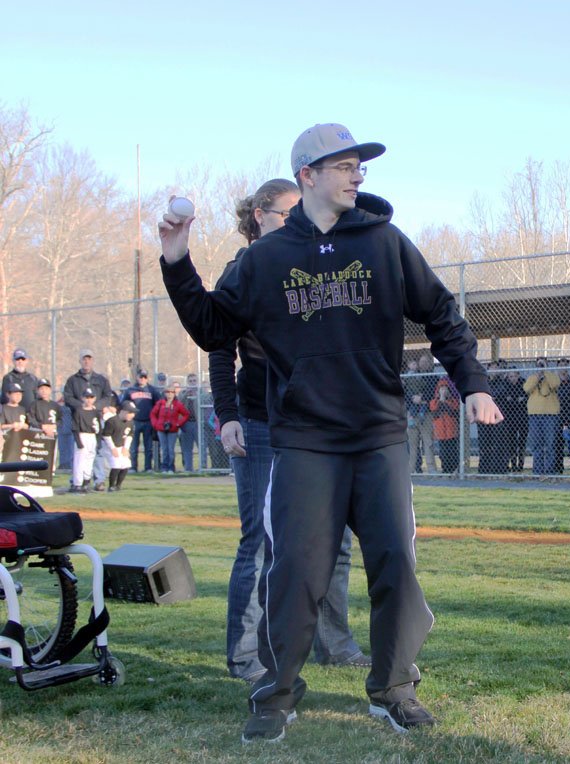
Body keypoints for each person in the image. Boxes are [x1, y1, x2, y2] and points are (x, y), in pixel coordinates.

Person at [159, 122, 502, 742]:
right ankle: (278, 692)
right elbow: (214, 328)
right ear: (307, 176)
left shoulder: (385, 243)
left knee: (395, 559)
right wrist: (177, 260)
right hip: (304, 440)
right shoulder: (264, 259)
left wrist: (473, 382)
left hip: (377, 434)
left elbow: (442, 313)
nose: (357, 174)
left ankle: (393, 687)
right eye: (344, 165)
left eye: (359, 166)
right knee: (294, 570)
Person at [210, 178, 369, 685]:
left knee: (337, 539)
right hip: (259, 421)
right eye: (286, 213)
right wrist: (228, 415)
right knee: (259, 542)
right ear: (260, 215)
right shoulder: (245, 268)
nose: (297, 221)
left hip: (316, 424)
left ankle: (334, 644)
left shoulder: (311, 265)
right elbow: (219, 348)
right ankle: (245, 656)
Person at [64, 348, 113, 490]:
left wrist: (95, 406)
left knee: (96, 450)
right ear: (80, 361)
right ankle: (77, 481)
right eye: (84, 359)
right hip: (79, 419)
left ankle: (98, 480)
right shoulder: (73, 380)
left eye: (89, 358)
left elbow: (107, 396)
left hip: (96, 417)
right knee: (79, 451)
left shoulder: (101, 379)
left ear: (92, 360)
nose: (86, 361)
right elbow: (68, 397)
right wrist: (82, 406)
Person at [523, 357, 560, 475]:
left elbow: (555, 384)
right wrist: (538, 376)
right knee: (536, 445)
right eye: (539, 364)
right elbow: (526, 388)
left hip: (550, 415)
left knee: (550, 444)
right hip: (535, 415)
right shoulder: (532, 377)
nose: (541, 367)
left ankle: (549, 471)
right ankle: (537, 471)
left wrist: (546, 371)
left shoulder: (552, 376)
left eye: (543, 364)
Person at [121, 369, 161, 472]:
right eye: (141, 377)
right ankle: (133, 467)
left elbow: (159, 404)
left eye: (144, 377)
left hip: (148, 421)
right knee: (133, 446)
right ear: (137, 377)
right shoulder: (131, 390)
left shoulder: (152, 390)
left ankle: (148, 468)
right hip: (135, 421)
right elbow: (124, 403)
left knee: (148, 447)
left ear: (147, 378)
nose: (142, 379)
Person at [403, 352, 437, 473]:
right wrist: (413, 398)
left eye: (425, 362)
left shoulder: (433, 376)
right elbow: (405, 392)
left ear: (430, 364)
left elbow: (433, 393)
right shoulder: (411, 376)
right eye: (421, 362)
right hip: (412, 414)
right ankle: (411, 470)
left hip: (425, 414)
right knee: (412, 444)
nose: (423, 364)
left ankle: (432, 469)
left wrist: (422, 399)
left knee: (428, 443)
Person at [149, 385, 189, 473]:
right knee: (164, 449)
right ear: (164, 393)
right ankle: (164, 467)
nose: (169, 394)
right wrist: (156, 424)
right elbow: (153, 414)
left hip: (172, 430)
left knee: (171, 449)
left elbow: (186, 414)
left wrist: (178, 424)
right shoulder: (160, 403)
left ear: (174, 394)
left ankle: (171, 467)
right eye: (167, 392)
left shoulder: (178, 404)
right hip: (161, 429)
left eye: (172, 392)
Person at [70, 387, 101, 493]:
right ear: (82, 398)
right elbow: (75, 428)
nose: (89, 400)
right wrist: (78, 442)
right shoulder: (79, 411)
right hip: (82, 435)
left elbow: (99, 428)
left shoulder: (96, 412)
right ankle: (77, 483)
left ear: (95, 398)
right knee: (79, 461)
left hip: (92, 436)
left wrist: (98, 441)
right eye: (87, 397)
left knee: (89, 460)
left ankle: (86, 482)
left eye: (91, 397)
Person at [102, 400, 137, 491]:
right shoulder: (112, 421)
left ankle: (118, 485)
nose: (132, 415)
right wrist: (113, 448)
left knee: (126, 464)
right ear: (123, 411)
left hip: (121, 446)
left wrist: (126, 448)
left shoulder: (130, 422)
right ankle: (111, 486)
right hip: (110, 446)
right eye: (130, 412)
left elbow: (129, 436)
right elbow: (106, 436)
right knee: (116, 464)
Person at [498, 366, 528, 472]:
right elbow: (505, 399)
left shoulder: (524, 383)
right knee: (512, 442)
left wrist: (514, 400)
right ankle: (513, 464)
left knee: (522, 442)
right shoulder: (505, 385)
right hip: (510, 418)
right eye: (511, 376)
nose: (513, 378)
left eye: (515, 376)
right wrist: (517, 400)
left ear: (518, 375)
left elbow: (525, 398)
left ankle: (521, 465)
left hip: (523, 417)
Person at [428, 374, 459, 473]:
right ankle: (445, 469)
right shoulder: (434, 401)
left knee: (452, 451)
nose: (443, 391)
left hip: (451, 431)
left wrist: (445, 401)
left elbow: (453, 409)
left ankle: (454, 469)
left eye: (445, 389)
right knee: (443, 453)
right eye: (441, 389)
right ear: (438, 390)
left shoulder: (453, 401)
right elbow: (434, 410)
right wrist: (440, 399)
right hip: (441, 432)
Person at [554, 358, 570, 473]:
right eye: (561, 365)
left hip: (569, 417)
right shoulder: (554, 383)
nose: (563, 368)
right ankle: (558, 469)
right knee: (557, 444)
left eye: (565, 365)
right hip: (556, 417)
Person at [178, 373, 200, 472]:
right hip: (186, 424)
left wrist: (197, 395)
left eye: (194, 381)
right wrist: (187, 394)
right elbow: (179, 404)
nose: (192, 383)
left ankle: (202, 467)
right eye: (190, 381)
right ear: (187, 382)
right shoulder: (183, 393)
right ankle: (188, 468)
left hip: (198, 423)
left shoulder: (202, 392)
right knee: (187, 448)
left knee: (201, 447)